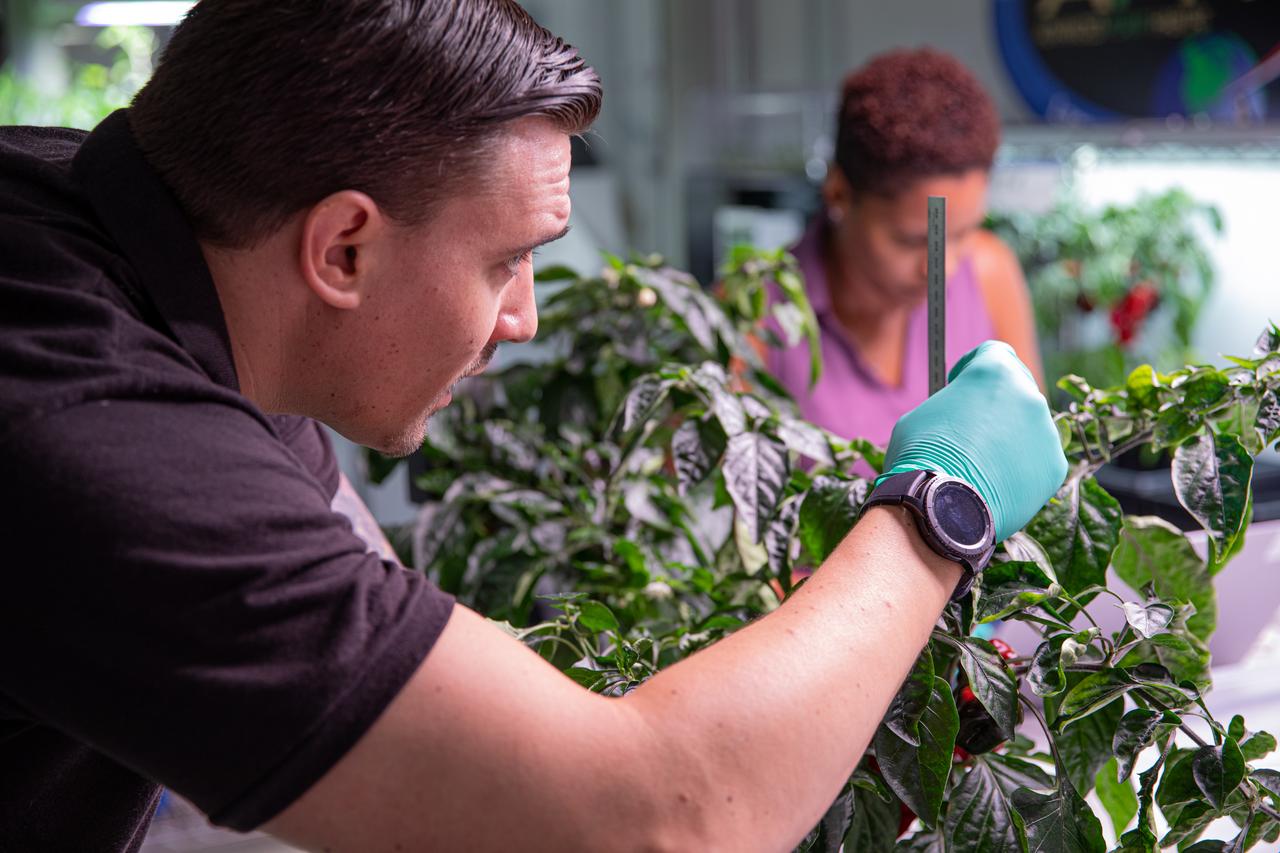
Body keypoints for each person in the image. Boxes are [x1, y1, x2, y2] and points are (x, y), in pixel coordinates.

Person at [0, 3, 1066, 851]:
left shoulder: (122, 248)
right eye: (507, 259)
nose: (525, 317)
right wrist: (938, 507)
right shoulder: (95, 424)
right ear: (342, 252)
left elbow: (405, 653)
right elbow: (651, 820)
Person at [766, 48, 1044, 448]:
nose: (942, 268)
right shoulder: (756, 314)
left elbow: (1031, 452)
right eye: (915, 240)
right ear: (840, 194)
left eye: (963, 233)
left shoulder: (989, 273)